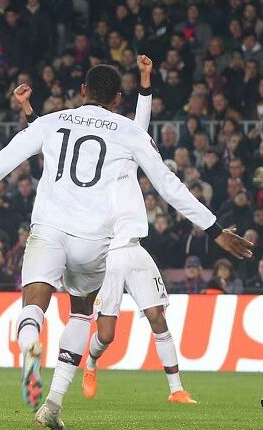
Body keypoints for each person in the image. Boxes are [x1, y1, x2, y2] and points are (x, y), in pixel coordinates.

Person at [0, 64, 252, 430]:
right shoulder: (129, 132)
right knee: (80, 314)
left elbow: (0, 163)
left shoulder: (50, 122)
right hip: (94, 239)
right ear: (117, 99)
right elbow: (168, 184)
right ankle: (53, 404)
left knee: (33, 303)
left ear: (82, 90)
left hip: (49, 228)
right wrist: (214, 229)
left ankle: (29, 345)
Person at [67, 56, 198, 405]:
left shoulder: (128, 153)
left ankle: (177, 389)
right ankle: (91, 361)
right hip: (107, 253)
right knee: (107, 335)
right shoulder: (88, 173)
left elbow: (141, 122)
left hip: (135, 248)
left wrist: (145, 79)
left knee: (157, 317)